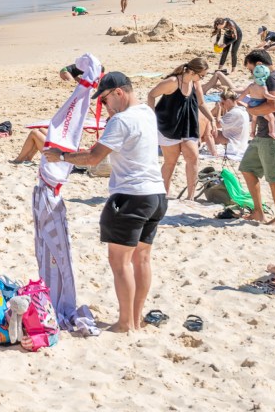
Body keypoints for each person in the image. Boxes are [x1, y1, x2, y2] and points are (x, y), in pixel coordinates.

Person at [44, 72, 166, 333]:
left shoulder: (121, 121)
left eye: (106, 99)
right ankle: (134, 318)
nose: (104, 105)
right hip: (156, 194)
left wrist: (61, 155)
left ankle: (125, 323)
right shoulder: (145, 111)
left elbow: (93, 158)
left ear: (119, 93)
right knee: (142, 259)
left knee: (120, 262)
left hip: (130, 196)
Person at [146, 58, 215, 200]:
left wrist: (212, 119)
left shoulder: (195, 84)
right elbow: (151, 94)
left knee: (193, 157)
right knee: (170, 161)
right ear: (191, 71)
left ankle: (190, 196)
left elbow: (201, 103)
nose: (202, 78)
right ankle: (163, 194)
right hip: (168, 125)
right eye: (201, 75)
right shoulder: (172, 82)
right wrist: (151, 116)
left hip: (188, 125)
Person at [239, 50, 275, 225]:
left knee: (273, 178)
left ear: (259, 65)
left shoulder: (273, 78)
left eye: (250, 69)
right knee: (247, 168)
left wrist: (251, 110)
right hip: (262, 135)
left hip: (273, 136)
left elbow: (274, 105)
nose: (251, 73)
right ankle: (258, 212)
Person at [242, 63, 275, 139]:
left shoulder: (251, 85)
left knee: (254, 120)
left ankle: (252, 132)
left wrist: (239, 100)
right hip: (259, 104)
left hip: (252, 103)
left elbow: (244, 93)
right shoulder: (263, 86)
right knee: (271, 119)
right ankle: (272, 132)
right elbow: (267, 95)